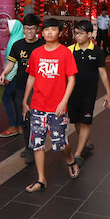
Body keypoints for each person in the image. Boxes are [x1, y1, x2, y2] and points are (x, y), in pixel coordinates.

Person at [22, 18, 77, 192]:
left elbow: (71, 79)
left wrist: (64, 101)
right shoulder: (36, 53)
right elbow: (31, 77)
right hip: (38, 105)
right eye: (46, 29)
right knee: (37, 143)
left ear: (60, 33)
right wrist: (25, 100)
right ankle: (41, 179)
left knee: (60, 144)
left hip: (57, 108)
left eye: (53, 29)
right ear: (42, 32)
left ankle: (69, 159)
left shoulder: (65, 53)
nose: (49, 32)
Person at [69, 20, 110, 166]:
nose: (77, 36)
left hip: (89, 93)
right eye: (75, 33)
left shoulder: (97, 52)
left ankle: (78, 154)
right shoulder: (69, 50)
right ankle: (86, 141)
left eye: (80, 33)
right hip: (72, 92)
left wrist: (108, 93)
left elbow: (103, 73)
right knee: (76, 122)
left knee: (86, 123)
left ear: (89, 34)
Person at [0, 13, 43, 148]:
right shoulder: (17, 45)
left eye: (32, 28)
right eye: (27, 28)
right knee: (24, 118)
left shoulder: (42, 45)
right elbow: (11, 63)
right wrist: (4, 73)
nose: (29, 31)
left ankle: (36, 145)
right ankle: (29, 146)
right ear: (23, 29)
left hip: (39, 87)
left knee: (36, 118)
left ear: (37, 30)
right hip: (21, 87)